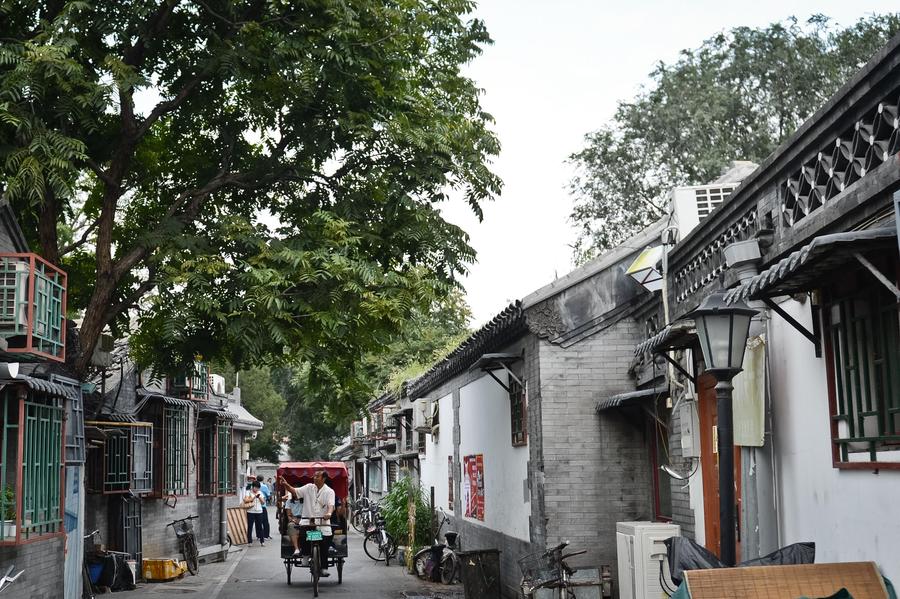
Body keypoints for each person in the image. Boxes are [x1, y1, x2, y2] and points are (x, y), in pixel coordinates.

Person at [279, 471, 335, 576]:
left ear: (323, 478)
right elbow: (294, 491)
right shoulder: (308, 487)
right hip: (307, 521)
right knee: (304, 534)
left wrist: (329, 513)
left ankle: (324, 568)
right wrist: (286, 484)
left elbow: (331, 505)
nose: (314, 478)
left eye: (317, 476)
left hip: (323, 523)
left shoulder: (329, 491)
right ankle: (305, 555)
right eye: (314, 476)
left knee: (324, 544)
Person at [282, 488, 305, 557]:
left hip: (305, 519)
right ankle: (296, 549)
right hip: (294, 519)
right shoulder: (289, 502)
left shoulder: (306, 501)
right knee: (291, 526)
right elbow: (289, 515)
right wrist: (292, 520)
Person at [242, 481, 266, 546]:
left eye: (258, 488)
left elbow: (263, 503)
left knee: (260, 527)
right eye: (256, 488)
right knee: (250, 526)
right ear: (253, 487)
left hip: (259, 511)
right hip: (250, 511)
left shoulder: (260, 493)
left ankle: (262, 541)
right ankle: (249, 542)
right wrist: (254, 497)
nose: (257, 489)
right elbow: (245, 500)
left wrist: (260, 497)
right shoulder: (248, 492)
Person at [256, 475, 272, 540]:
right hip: (263, 505)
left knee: (257, 521)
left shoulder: (254, 486)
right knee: (265, 521)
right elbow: (268, 495)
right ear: (263, 479)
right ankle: (266, 535)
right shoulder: (264, 486)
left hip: (256, 505)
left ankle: (258, 535)